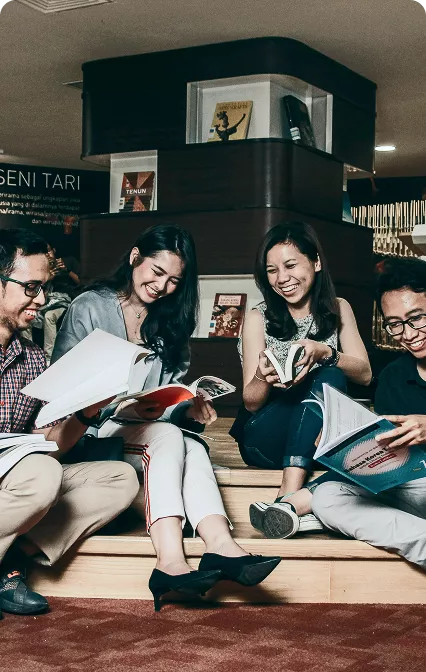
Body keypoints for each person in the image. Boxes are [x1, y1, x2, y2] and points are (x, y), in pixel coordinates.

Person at [52, 224, 281, 611]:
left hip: (142, 428)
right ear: (134, 258)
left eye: (174, 280)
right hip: (87, 428)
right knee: (169, 439)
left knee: (187, 439)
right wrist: (123, 408)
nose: (163, 286)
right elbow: (63, 390)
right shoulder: (90, 306)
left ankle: (221, 544)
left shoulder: (172, 320)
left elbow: (165, 396)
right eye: (156, 273)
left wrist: (185, 406)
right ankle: (169, 558)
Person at [0, 228, 139, 620]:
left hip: (16, 479)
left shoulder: (31, 359)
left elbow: (50, 444)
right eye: (30, 287)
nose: (41, 300)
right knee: (41, 472)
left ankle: (10, 555)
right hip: (18, 480)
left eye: (44, 287)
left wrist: (87, 411)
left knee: (120, 480)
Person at [229, 221, 372, 539]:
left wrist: (325, 352)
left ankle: (284, 504)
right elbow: (251, 403)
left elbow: (364, 373)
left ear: (316, 262)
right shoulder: (258, 317)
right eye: (271, 270)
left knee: (330, 371)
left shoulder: (338, 309)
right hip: (264, 440)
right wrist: (262, 377)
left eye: (290, 264)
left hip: (317, 438)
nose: (282, 278)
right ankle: (288, 498)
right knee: (328, 375)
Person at [309, 256, 426, 570]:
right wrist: (346, 447)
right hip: (415, 489)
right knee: (327, 498)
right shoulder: (392, 377)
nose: (409, 332)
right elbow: (393, 461)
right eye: (395, 324)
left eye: (417, 318)